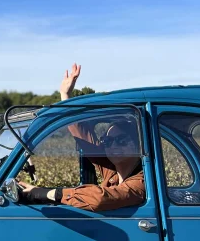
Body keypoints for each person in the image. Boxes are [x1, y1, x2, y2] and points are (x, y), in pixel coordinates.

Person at [17, 63, 146, 212]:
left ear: (139, 145)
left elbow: (100, 199)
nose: (113, 146)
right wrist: (65, 97)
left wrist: (47, 193)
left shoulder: (142, 181)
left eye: (122, 140)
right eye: (108, 141)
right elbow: (87, 141)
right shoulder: (111, 171)